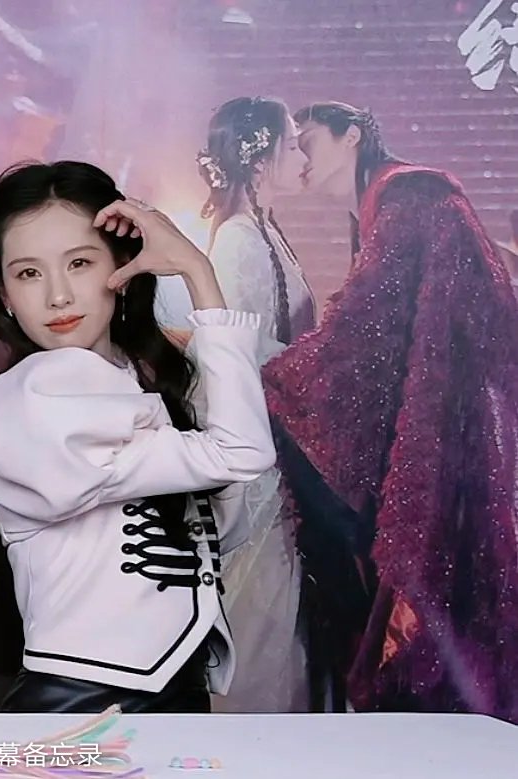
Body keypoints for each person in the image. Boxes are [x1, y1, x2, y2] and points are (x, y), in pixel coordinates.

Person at [0, 160, 276, 713]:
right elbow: (242, 450)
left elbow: (223, 532)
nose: (58, 296)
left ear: (123, 268)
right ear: (5, 295)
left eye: (79, 263)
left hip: (181, 685)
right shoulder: (27, 397)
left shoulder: (148, 382)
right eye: (29, 273)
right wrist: (198, 271)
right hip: (80, 700)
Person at [263, 101, 518, 721]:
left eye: (308, 139)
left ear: (352, 136)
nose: (300, 156)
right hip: (443, 408)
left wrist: (271, 375)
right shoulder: (381, 205)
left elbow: (368, 326)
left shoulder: (409, 194)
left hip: (452, 414)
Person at [179, 95, 316, 713]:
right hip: (257, 457)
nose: (302, 156)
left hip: (279, 444)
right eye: (291, 144)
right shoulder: (237, 240)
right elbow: (232, 353)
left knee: (280, 622)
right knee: (259, 619)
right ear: (260, 158)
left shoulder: (264, 230)